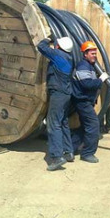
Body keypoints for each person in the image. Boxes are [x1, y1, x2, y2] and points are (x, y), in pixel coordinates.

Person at [36, 36, 75, 171]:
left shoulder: (58, 55)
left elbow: (41, 47)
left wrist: (48, 38)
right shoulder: (70, 57)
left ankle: (57, 157)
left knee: (53, 124)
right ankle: (68, 152)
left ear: (59, 46)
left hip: (58, 94)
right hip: (66, 94)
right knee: (63, 122)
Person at [71, 41, 109, 163]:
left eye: (95, 53)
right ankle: (87, 153)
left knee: (84, 127)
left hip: (85, 101)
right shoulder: (83, 66)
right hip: (82, 101)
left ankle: (70, 148)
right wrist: (100, 80)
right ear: (85, 54)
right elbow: (86, 84)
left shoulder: (89, 66)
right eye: (92, 53)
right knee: (93, 126)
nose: (94, 56)